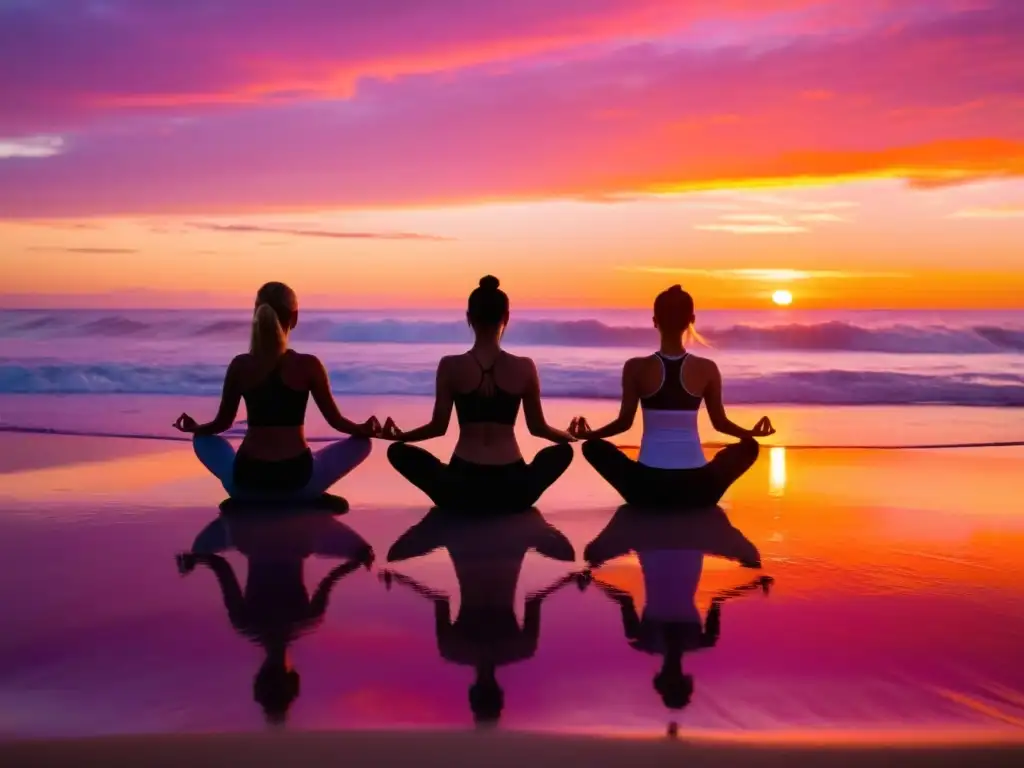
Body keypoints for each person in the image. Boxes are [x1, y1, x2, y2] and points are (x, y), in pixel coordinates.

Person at [569, 285, 775, 508]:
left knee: (592, 447)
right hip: (699, 491)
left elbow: (624, 423)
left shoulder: (636, 368)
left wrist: (592, 434)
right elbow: (720, 423)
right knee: (749, 447)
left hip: (647, 491)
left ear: (655, 320)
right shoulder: (707, 368)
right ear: (691, 320)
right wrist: (749, 433)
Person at [381, 276, 574, 512]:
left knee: (397, 451)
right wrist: (568, 436)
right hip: (513, 489)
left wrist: (401, 436)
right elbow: (538, 428)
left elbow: (437, 427)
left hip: (461, 487)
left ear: (468, 317)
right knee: (563, 451)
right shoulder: (525, 367)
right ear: (507, 317)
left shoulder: (450, 366)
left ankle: (457, 497)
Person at [172, 282, 380, 500]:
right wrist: (364, 429)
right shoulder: (308, 365)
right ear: (295, 317)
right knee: (361, 444)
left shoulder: (241, 365)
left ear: (256, 315)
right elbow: (336, 421)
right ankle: (307, 497)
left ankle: (250, 500)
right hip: (298, 479)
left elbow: (221, 424)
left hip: (247, 481)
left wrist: (196, 428)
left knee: (202, 439)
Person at [380, 507, 582, 725]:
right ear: (473, 692)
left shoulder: (517, 649)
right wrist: (570, 577)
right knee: (543, 531)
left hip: (483, 540)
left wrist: (401, 578)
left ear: (498, 692)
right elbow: (441, 600)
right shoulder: (455, 650)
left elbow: (533, 600)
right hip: (498, 540)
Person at [178, 510, 375, 723]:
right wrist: (195, 558)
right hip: (256, 533)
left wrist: (357, 559)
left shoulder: (306, 620)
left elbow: (332, 579)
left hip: (295, 534)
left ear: (293, 677)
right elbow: (221, 566)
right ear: (259, 676)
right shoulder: (245, 623)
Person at [584, 505, 772, 717]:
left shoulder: (643, 640)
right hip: (684, 550)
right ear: (683, 679)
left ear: (663, 679)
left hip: (659, 550)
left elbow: (624, 599)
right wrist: (752, 584)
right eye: (678, 681)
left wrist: (592, 579)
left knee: (605, 540)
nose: (673, 675)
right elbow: (717, 600)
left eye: (670, 681)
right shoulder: (698, 640)